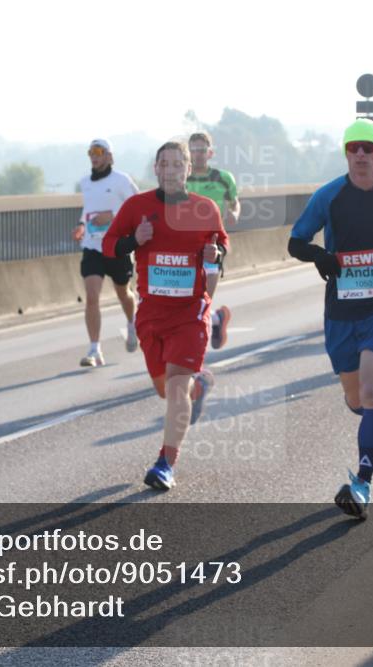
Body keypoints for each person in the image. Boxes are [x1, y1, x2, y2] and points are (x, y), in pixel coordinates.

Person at [288, 119, 373, 519]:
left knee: (369, 391)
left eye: (368, 147)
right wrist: (321, 258)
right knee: (355, 400)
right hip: (341, 311)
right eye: (353, 148)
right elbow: (296, 241)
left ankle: (362, 484)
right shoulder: (329, 196)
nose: (361, 154)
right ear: (345, 153)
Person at [102, 141, 229, 491]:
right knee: (166, 390)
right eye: (165, 164)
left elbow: (221, 252)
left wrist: (214, 253)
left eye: (178, 164)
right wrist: (133, 241)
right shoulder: (137, 207)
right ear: (156, 169)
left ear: (189, 169)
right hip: (152, 315)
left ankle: (165, 463)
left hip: (190, 312)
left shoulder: (205, 209)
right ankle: (198, 386)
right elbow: (108, 244)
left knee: (175, 391)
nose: (171, 170)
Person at [74, 138, 140, 367]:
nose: (94, 156)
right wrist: (82, 225)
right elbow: (88, 210)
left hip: (117, 245)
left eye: (99, 151)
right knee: (92, 296)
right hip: (93, 246)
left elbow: (137, 205)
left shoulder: (121, 180)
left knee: (123, 292)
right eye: (91, 152)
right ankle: (95, 350)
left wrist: (112, 216)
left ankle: (132, 324)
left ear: (109, 156)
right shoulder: (85, 183)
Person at [185, 131, 238, 350]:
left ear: (210, 153)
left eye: (201, 150)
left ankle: (196, 355)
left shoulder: (223, 178)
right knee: (188, 300)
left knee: (202, 299)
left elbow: (234, 202)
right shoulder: (181, 177)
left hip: (212, 244)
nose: (197, 155)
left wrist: (234, 212)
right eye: (193, 151)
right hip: (184, 245)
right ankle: (216, 319)